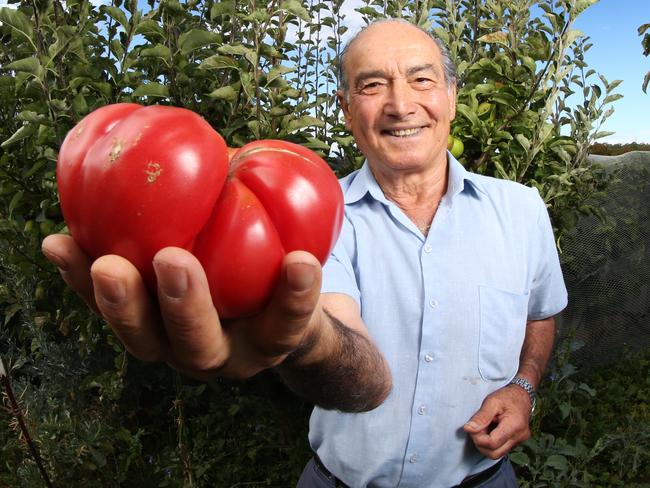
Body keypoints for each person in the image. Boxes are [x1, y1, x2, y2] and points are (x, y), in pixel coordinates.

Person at [42, 18, 567, 488]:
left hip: (486, 480)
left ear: (451, 96)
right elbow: (362, 379)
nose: (401, 104)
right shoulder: (310, 213)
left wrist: (524, 386)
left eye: (422, 79)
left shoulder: (521, 210)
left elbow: (540, 312)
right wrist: (306, 339)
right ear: (345, 109)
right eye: (372, 85)